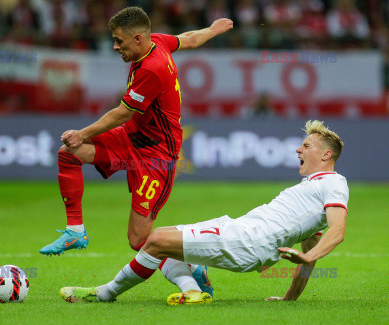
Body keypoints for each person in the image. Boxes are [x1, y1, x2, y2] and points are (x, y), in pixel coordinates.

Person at [59, 120, 349, 305]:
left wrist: (309, 255)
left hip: (250, 239)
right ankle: (194, 288)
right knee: (163, 242)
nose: (298, 149)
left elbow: (337, 231)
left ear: (326, 155)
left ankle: (104, 294)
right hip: (242, 231)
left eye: (307, 145)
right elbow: (310, 250)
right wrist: (289, 298)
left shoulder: (334, 182)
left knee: (155, 239)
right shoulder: (311, 189)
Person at [39, 7, 233, 255]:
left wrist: (82, 133)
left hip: (157, 155)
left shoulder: (152, 68)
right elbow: (190, 39)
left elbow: (122, 112)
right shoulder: (159, 41)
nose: (115, 47)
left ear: (137, 38)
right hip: (131, 137)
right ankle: (75, 231)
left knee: (139, 240)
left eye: (119, 41)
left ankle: (194, 261)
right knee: (69, 153)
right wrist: (213, 29)